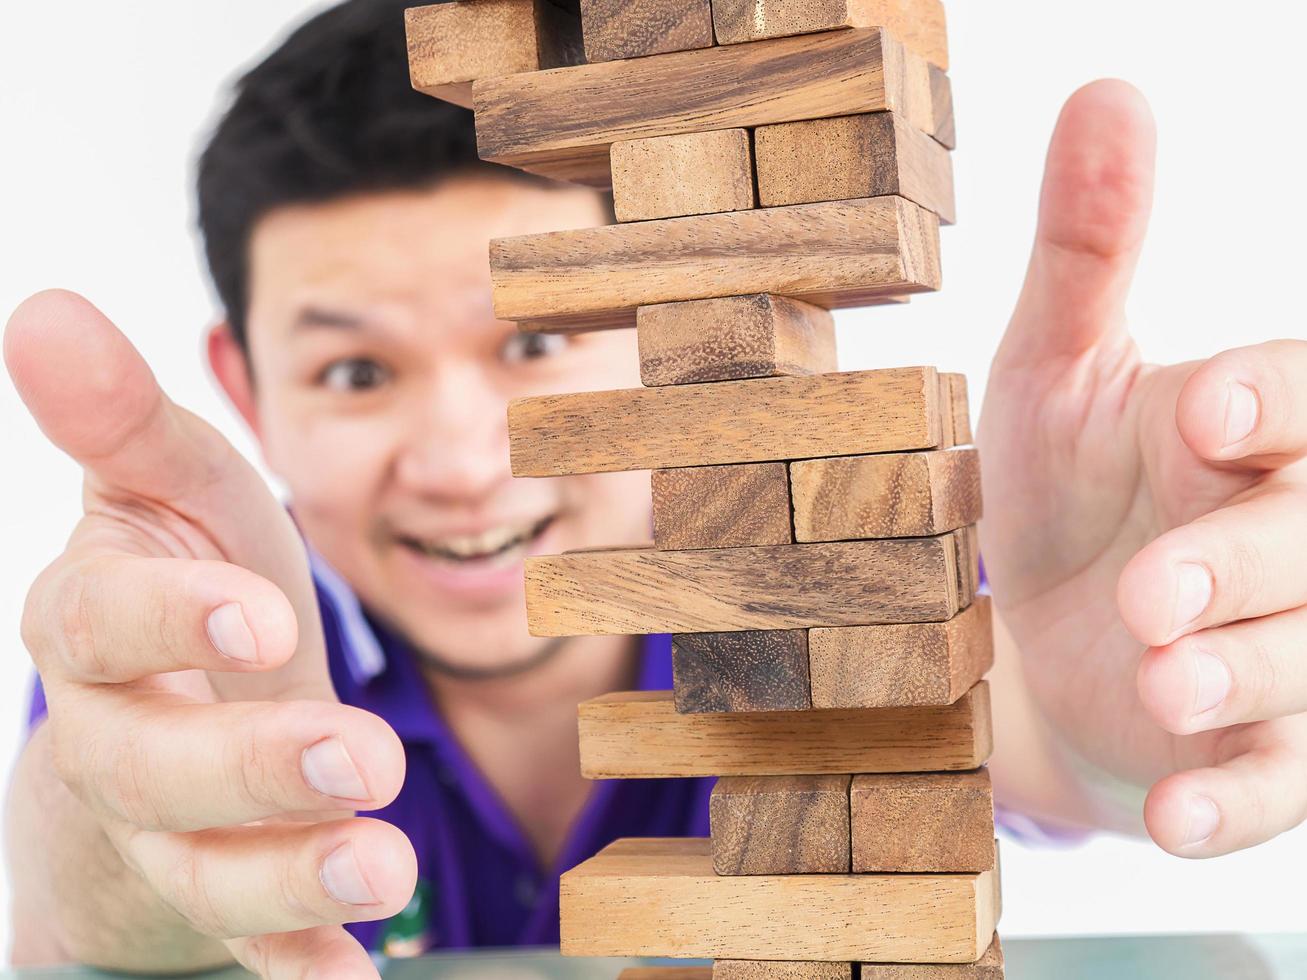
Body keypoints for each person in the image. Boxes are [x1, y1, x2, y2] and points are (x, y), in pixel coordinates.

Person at [5, 0, 1307, 977]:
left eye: (535, 338)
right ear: (244, 391)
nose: (464, 463)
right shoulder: (195, 633)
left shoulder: (835, 574)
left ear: (678, 329)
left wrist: (1106, 726)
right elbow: (86, 872)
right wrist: (117, 845)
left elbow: (1025, 720)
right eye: (354, 371)